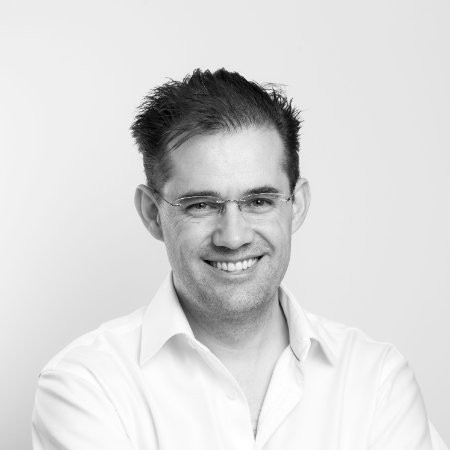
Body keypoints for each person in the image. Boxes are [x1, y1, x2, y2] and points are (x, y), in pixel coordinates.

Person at [32, 68, 447, 449]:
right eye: (201, 205)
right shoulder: (87, 384)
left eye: (259, 201)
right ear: (152, 214)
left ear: (297, 205)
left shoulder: (376, 380)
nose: (233, 237)